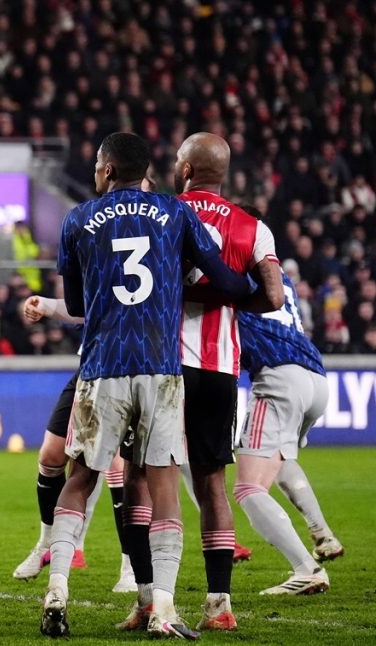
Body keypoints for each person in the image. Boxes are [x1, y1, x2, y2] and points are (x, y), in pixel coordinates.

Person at [40, 132, 254, 639]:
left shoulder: (77, 219)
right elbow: (225, 279)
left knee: (80, 478)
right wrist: (257, 288)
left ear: (109, 170)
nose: (95, 172)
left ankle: (57, 592)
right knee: (163, 486)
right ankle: (163, 608)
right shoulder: (175, 212)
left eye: (98, 164)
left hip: (102, 367)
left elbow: (77, 304)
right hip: (160, 368)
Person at [166, 133, 284, 631]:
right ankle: (219, 605)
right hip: (219, 367)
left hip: (164, 364)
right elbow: (274, 297)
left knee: (151, 478)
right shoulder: (252, 226)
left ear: (187, 169)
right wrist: (232, 300)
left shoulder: (165, 213)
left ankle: (153, 599)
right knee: (212, 480)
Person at [233, 226, 342, 595]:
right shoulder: (280, 275)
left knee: (248, 486)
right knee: (278, 457)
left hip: (279, 375)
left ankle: (306, 569)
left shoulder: (236, 272)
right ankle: (322, 533)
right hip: (315, 375)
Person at [11, 295, 134, 593]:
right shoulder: (95, 268)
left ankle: (131, 568)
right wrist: (47, 306)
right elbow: (87, 305)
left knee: (118, 466)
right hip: (90, 364)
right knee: (51, 455)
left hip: (131, 366)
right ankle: (46, 543)